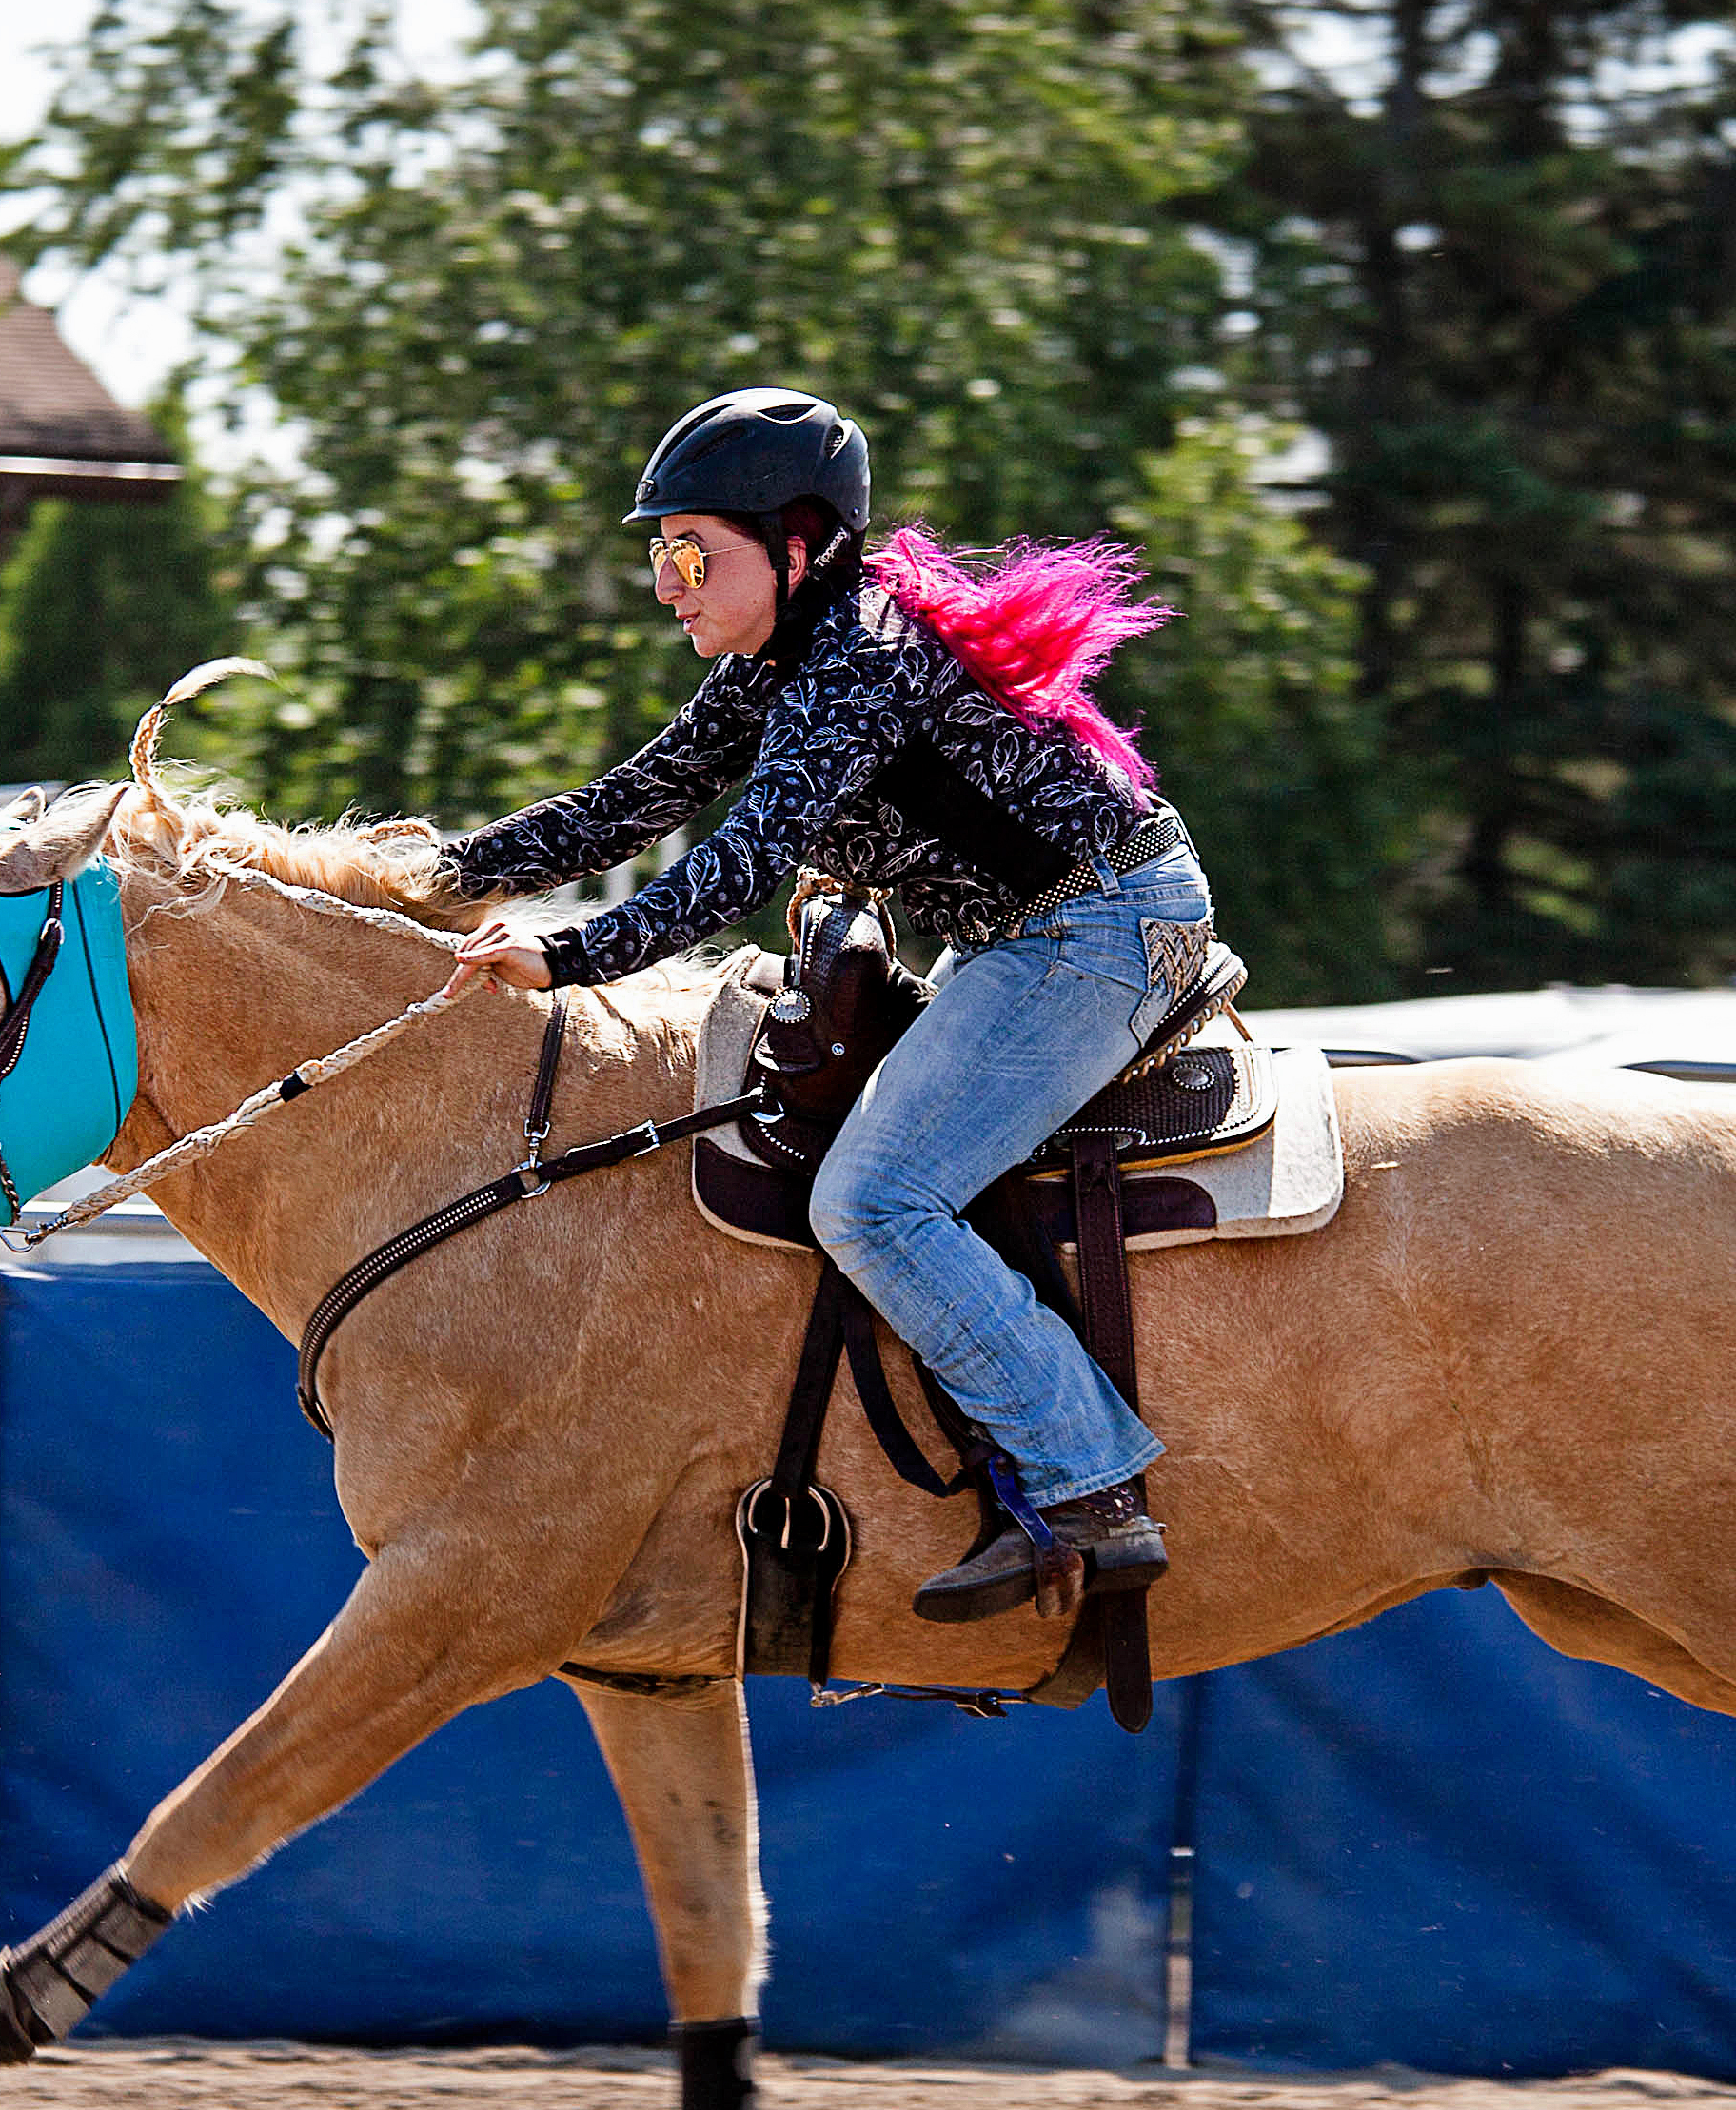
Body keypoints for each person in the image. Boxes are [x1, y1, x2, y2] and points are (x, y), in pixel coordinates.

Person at [438, 386, 1213, 1621]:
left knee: (876, 1199)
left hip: (1102, 931)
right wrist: (431, 874)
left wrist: (576, 956)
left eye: (689, 553)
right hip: (1038, 933)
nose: (665, 585)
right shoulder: (790, 656)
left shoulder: (859, 657)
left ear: (797, 549)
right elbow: (634, 802)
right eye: (658, 554)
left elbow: (741, 860)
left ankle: (1090, 1489)